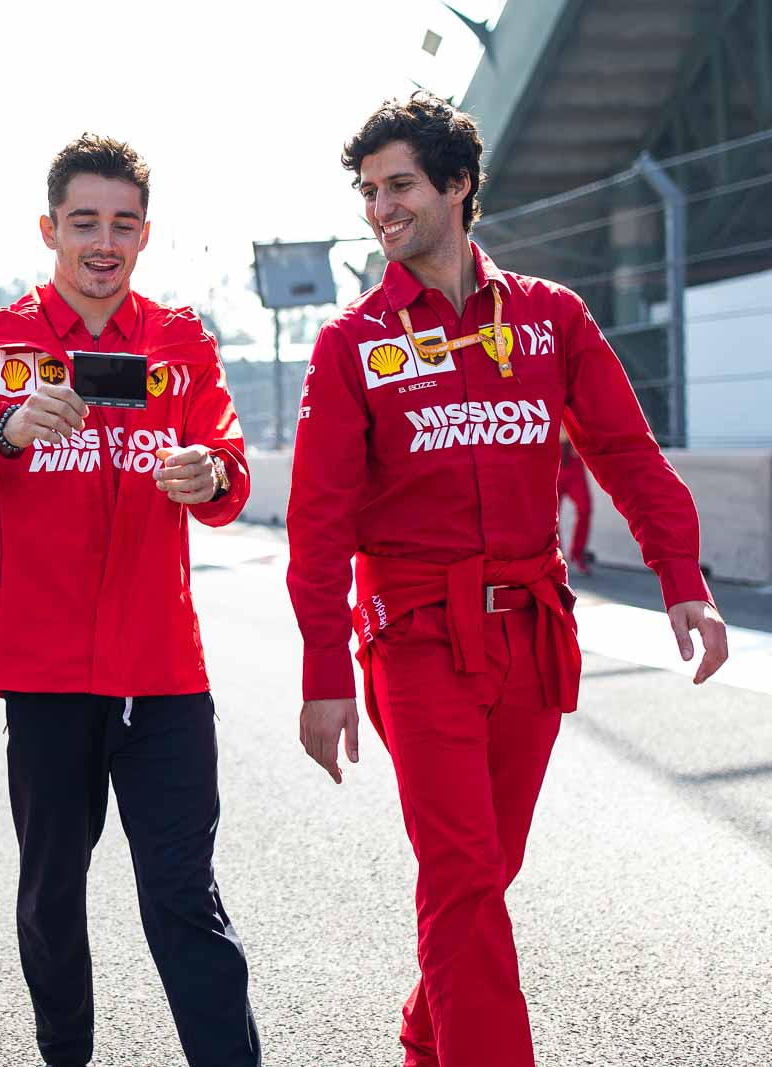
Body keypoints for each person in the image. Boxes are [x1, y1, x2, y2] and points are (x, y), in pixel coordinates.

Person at [288, 93, 730, 1067]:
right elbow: (318, 523)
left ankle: (421, 1034)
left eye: (398, 185)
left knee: (487, 870)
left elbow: (623, 447)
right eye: (368, 192)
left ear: (457, 184)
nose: (380, 209)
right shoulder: (350, 343)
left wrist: (679, 572)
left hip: (530, 633)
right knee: (461, 876)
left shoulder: (548, 317)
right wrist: (324, 669)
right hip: (414, 635)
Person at [0, 135, 262, 1067]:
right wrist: (10, 427)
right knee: (52, 895)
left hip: (163, 674)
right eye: (84, 223)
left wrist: (206, 472)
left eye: (122, 224)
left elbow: (230, 471)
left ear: (145, 233)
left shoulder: (180, 340)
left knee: (185, 895)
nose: (103, 242)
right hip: (50, 675)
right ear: (49, 229)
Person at [558, 427, 595, 573]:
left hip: (574, 463)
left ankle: (577, 554)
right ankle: (556, 556)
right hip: (554, 461)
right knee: (550, 514)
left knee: (585, 508)